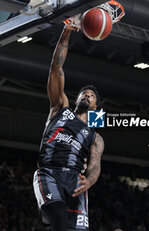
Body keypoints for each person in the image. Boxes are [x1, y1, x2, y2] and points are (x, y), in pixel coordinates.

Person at [33, 25, 104, 231]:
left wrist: (89, 181)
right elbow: (57, 69)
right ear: (76, 99)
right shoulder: (59, 108)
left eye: (91, 96)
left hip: (75, 181)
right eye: (84, 93)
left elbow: (95, 165)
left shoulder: (95, 136)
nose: (87, 96)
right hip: (49, 172)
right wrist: (67, 30)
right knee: (59, 217)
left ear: (95, 107)